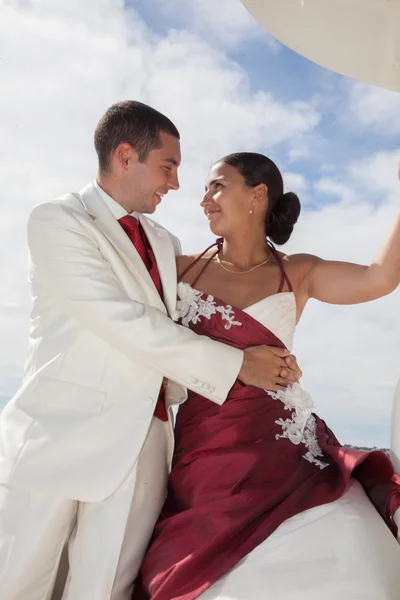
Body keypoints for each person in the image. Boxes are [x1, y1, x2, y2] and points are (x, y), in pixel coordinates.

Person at [0, 105, 301, 600]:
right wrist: (238, 365)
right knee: (20, 583)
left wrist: (273, 354)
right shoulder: (59, 221)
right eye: (169, 166)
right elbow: (122, 321)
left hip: (145, 448)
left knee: (106, 590)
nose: (178, 184)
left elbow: (196, 316)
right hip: (60, 439)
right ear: (124, 156)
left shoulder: (165, 243)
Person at [136, 152, 400, 600]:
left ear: (258, 195)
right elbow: (140, 338)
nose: (204, 199)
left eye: (217, 186)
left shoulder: (298, 273)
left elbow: (379, 279)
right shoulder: (179, 271)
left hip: (286, 459)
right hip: (204, 461)